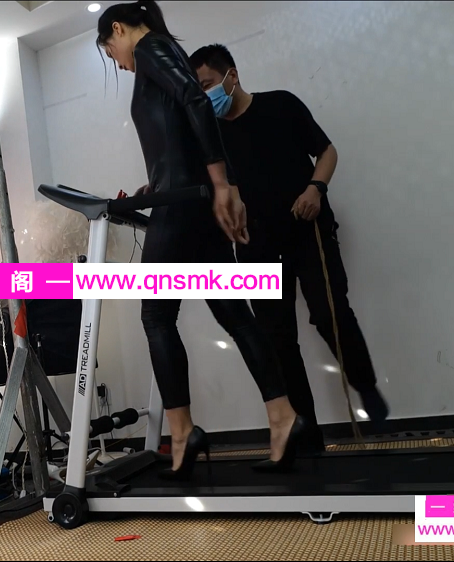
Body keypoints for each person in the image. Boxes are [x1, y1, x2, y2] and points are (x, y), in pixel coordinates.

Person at [96, 0, 312, 478]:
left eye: (110, 50)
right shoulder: (163, 54)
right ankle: (283, 417)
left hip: (183, 207)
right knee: (233, 313)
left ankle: (182, 433)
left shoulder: (150, 49)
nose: (117, 61)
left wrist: (221, 184)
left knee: (156, 316)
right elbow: (187, 128)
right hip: (192, 202)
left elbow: (196, 101)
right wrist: (179, 184)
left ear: (119, 29)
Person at [188, 44, 390, 454]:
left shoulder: (281, 105)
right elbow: (209, 187)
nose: (206, 96)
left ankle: (365, 386)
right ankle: (305, 431)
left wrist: (316, 188)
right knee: (278, 340)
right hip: (255, 246)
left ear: (232, 76)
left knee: (330, 313)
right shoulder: (210, 140)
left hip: (306, 231)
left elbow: (327, 151)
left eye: (208, 85)